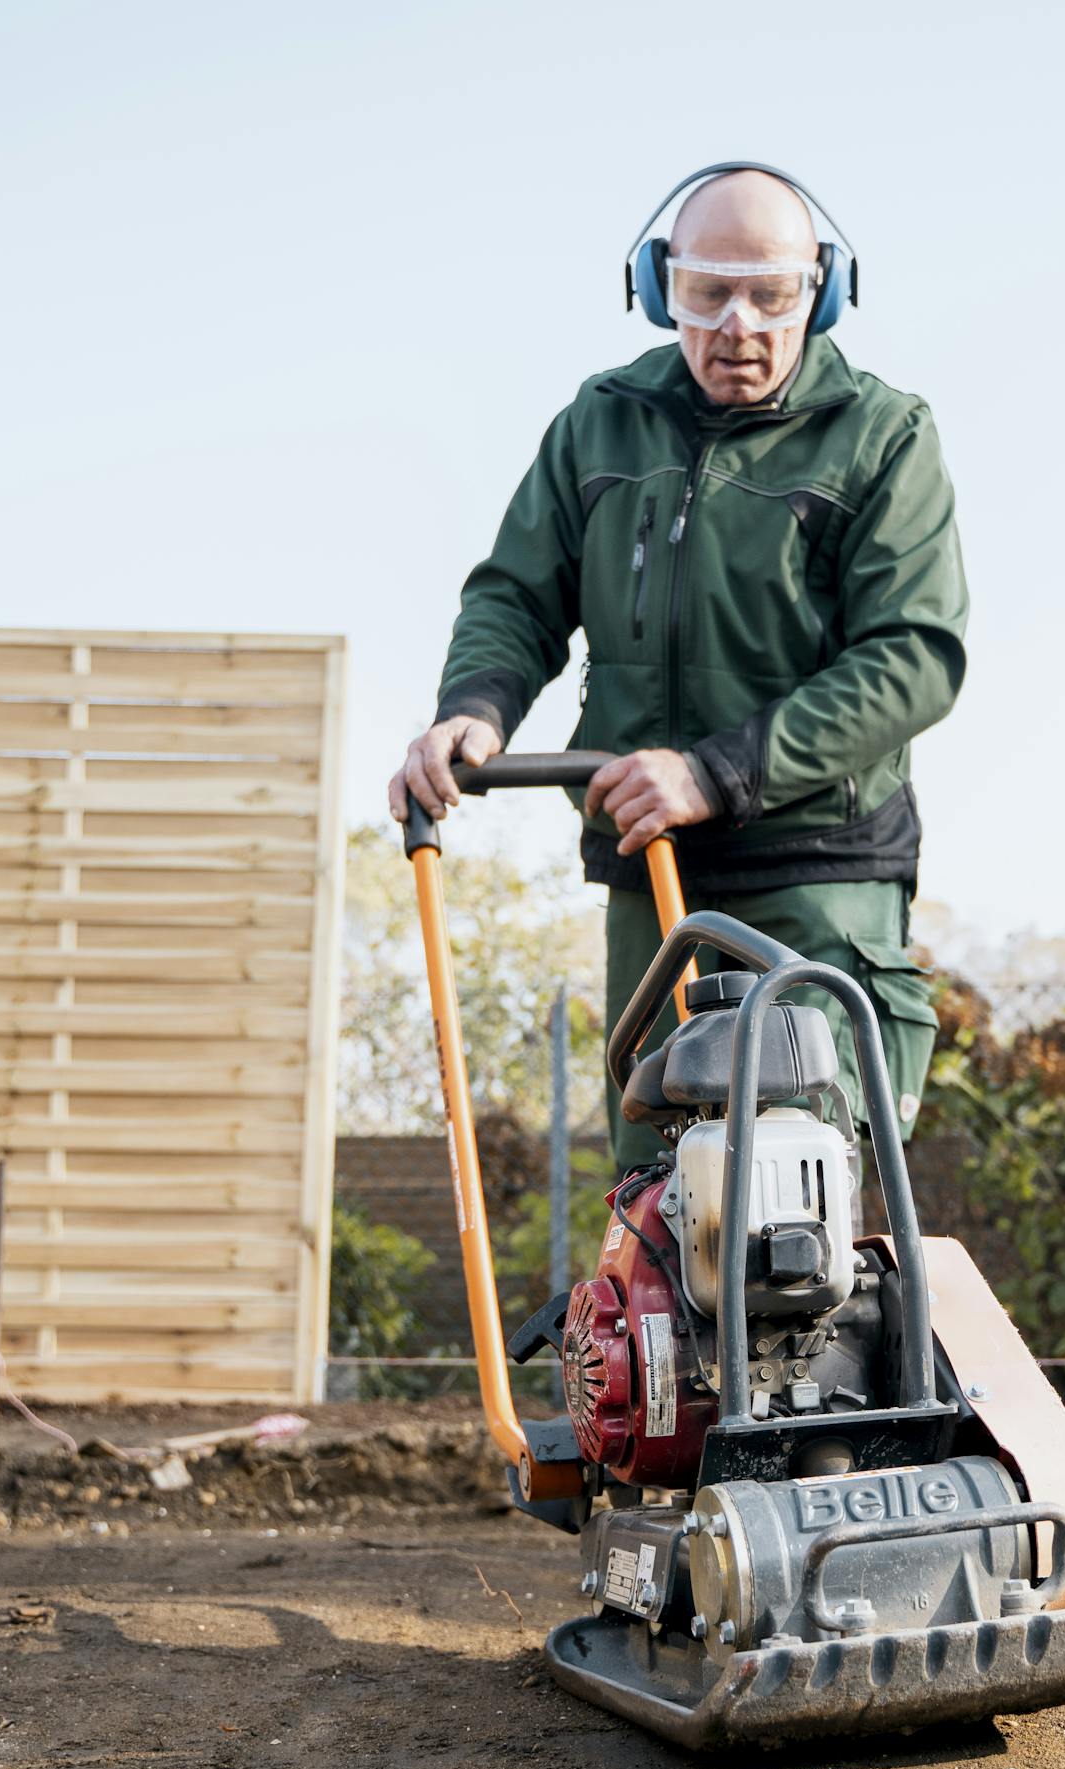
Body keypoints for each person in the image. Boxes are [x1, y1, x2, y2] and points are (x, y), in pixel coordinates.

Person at [389, 163, 968, 1170]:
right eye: (709, 291)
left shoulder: (882, 436)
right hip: (649, 872)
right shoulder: (599, 424)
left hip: (815, 873)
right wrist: (475, 710)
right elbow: (517, 596)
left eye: (770, 294)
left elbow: (914, 655)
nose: (738, 323)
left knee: (802, 1191)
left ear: (820, 292)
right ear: (663, 289)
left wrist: (714, 773)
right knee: (660, 1199)